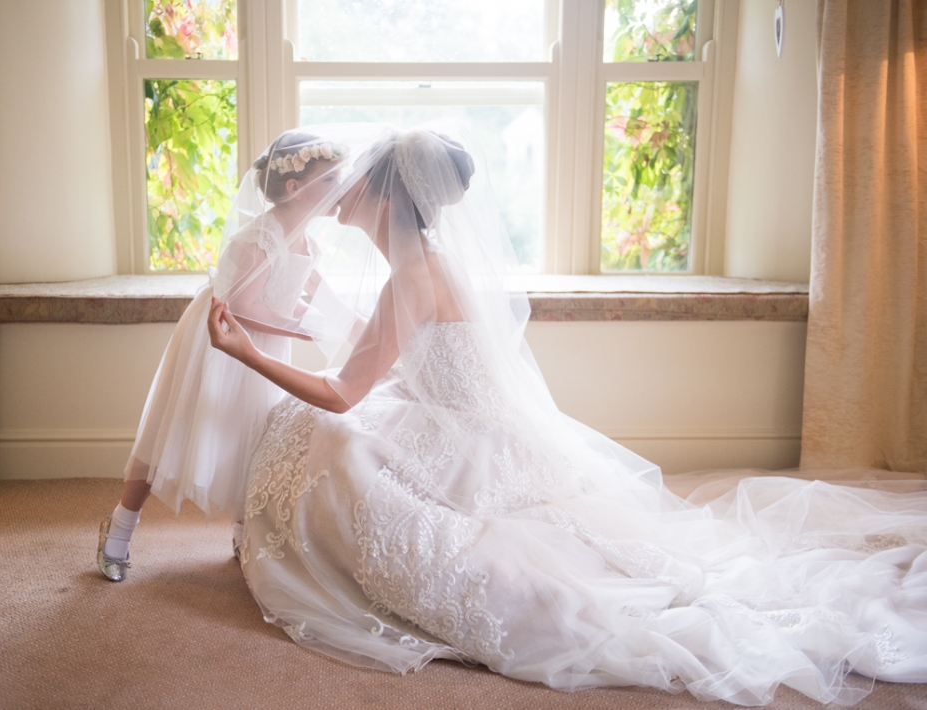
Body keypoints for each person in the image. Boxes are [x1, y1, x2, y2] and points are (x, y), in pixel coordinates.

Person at [207, 123, 927, 706]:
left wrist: (243, 349)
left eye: (359, 180)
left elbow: (341, 392)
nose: (344, 191)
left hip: (466, 441)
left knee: (329, 435)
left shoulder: (412, 279)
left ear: (386, 201)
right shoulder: (423, 263)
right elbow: (378, 360)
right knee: (311, 431)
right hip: (462, 420)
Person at [96, 130, 350, 582]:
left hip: (263, 346)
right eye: (331, 179)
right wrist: (304, 327)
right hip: (221, 340)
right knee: (171, 433)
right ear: (295, 188)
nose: (342, 186)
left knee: (255, 437)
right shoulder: (261, 237)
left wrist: (347, 324)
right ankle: (119, 528)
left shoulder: (308, 242)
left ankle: (242, 532)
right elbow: (243, 306)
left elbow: (299, 296)